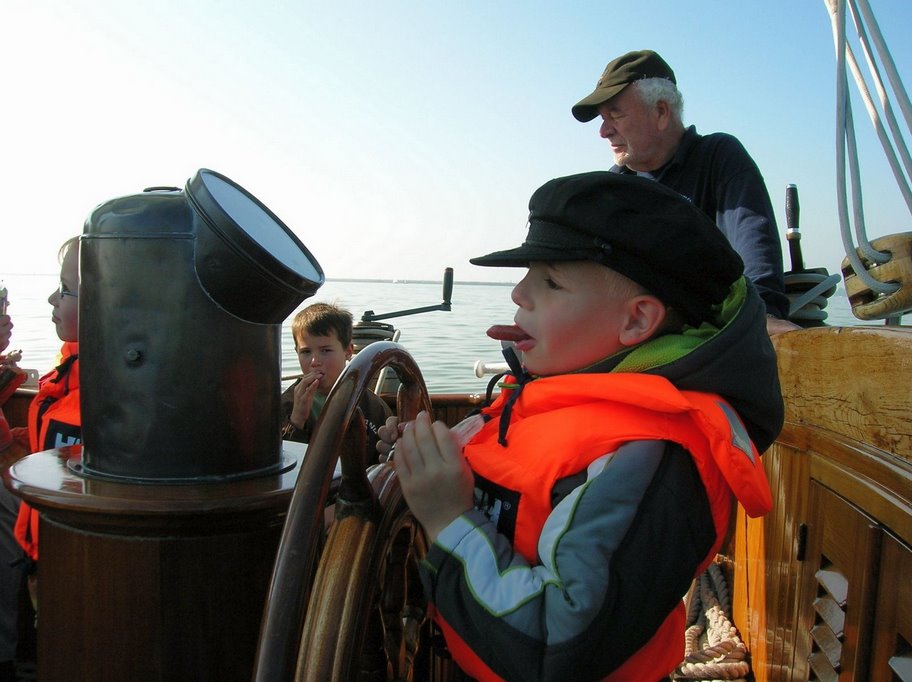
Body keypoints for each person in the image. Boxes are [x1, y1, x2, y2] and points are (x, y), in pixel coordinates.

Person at [379, 172, 783, 681]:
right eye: (528, 274)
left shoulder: (648, 459)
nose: (519, 292)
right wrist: (424, 455)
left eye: (549, 281)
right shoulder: (548, 392)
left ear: (637, 322)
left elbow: (557, 648)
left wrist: (447, 520)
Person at [571, 49, 798, 335]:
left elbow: (753, 240)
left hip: (711, 336)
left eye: (614, 114)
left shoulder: (718, 157)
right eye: (602, 118)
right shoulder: (613, 188)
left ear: (661, 112)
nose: (604, 131)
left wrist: (762, 314)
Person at [11, 236, 82, 625]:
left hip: (70, 563)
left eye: (65, 289)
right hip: (41, 552)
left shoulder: (107, 393)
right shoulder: (70, 373)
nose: (52, 299)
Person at [281, 302, 392, 464]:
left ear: (348, 352)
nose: (314, 361)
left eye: (325, 350)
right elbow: (283, 463)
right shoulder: (286, 404)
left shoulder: (374, 407)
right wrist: (297, 420)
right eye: (306, 352)